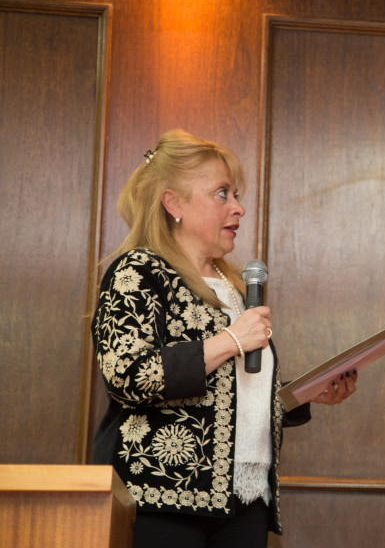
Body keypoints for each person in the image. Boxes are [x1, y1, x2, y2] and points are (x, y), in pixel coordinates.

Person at [91, 129, 357, 547]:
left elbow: (236, 394)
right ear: (173, 203)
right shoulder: (139, 271)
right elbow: (127, 376)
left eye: (236, 195)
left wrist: (307, 394)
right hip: (163, 498)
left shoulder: (235, 287)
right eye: (222, 194)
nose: (239, 208)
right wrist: (230, 340)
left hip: (245, 501)